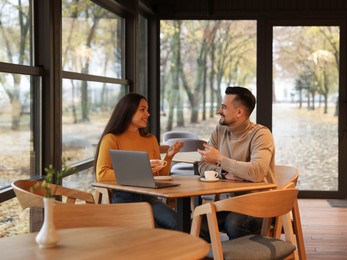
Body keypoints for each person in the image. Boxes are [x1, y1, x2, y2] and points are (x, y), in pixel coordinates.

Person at [94, 93, 183, 230]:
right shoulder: (111, 139)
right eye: (142, 109)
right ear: (128, 111)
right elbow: (102, 175)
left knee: (179, 224)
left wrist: (169, 157)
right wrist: (141, 171)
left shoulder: (150, 139)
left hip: (150, 197)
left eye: (147, 109)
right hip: (125, 200)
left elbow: (160, 176)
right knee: (156, 229)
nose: (147, 114)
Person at [197, 86, 276, 240]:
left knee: (234, 223)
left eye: (224, 107)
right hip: (230, 204)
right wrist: (224, 173)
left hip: (260, 204)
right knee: (200, 222)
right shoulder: (220, 131)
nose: (219, 111)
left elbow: (257, 172)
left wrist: (220, 160)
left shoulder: (261, 134)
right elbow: (202, 165)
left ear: (239, 112)